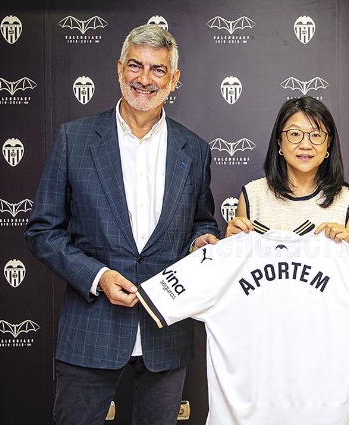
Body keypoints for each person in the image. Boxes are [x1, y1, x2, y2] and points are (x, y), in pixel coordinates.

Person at [24, 24, 219, 424]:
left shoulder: (194, 150)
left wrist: (203, 240)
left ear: (174, 79)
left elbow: (201, 220)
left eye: (157, 70)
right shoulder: (74, 140)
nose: (144, 79)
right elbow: (42, 231)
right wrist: (97, 276)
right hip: (90, 327)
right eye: (135, 65)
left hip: (167, 329)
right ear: (118, 69)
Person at [225, 96, 349, 259]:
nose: (305, 145)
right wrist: (228, 245)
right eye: (295, 134)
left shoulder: (345, 200)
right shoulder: (252, 197)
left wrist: (348, 246)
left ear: (328, 143)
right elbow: (235, 272)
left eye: (315, 135)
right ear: (279, 141)